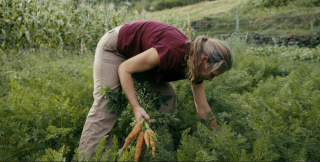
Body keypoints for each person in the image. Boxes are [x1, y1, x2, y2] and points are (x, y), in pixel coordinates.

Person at [79, 20, 233, 159]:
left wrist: (220, 142)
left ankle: (160, 154)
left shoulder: (198, 67)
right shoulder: (172, 51)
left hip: (139, 54)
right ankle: (90, 157)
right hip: (116, 47)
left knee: (166, 96)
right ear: (204, 60)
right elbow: (125, 68)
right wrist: (136, 107)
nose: (211, 79)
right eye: (213, 74)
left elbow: (203, 110)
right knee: (107, 103)